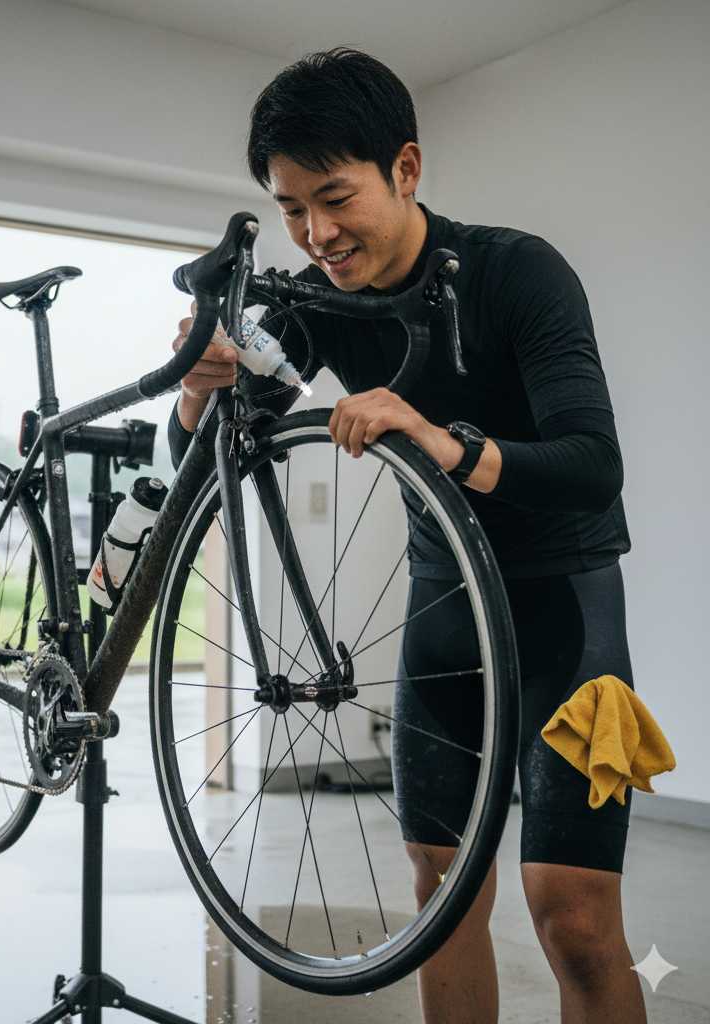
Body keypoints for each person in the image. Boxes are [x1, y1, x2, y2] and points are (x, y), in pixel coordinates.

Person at [166, 48, 645, 1024]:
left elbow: (594, 462)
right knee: (440, 894)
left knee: (575, 917)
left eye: (334, 197)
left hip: (571, 611)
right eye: (292, 206)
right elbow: (221, 441)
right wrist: (195, 385)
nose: (316, 231)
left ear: (407, 170)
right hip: (444, 611)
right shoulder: (315, 300)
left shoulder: (518, 272)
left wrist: (444, 441)